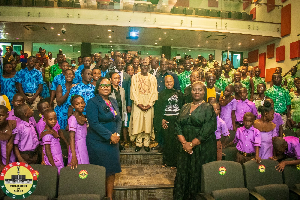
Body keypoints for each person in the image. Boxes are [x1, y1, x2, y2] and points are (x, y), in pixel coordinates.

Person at [173, 81, 217, 200]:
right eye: (194, 89)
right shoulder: (185, 106)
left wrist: (192, 144)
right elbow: (177, 125)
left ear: (204, 92)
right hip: (185, 149)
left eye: (200, 90)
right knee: (184, 175)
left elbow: (208, 128)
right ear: (190, 91)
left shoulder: (208, 108)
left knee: (197, 176)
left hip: (201, 150)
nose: (197, 92)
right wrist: (184, 143)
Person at [86, 77, 121, 200]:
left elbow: (119, 119)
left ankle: (110, 197)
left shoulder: (113, 101)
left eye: (108, 85)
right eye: (103, 85)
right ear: (98, 87)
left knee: (112, 171)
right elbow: (94, 123)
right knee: (100, 171)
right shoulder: (92, 102)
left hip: (113, 142)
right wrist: (109, 136)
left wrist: (116, 135)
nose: (106, 87)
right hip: (98, 143)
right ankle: (99, 196)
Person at [154, 75, 183, 166]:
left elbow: (182, 108)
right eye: (167, 82)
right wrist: (161, 120)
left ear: (173, 82)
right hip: (166, 121)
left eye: (170, 81)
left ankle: (175, 163)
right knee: (167, 141)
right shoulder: (161, 94)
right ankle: (167, 162)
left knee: (176, 142)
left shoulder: (179, 94)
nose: (169, 83)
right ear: (164, 83)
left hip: (176, 121)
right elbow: (158, 110)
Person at [129, 62, 158, 152]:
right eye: (143, 66)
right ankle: (138, 143)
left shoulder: (152, 78)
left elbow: (154, 91)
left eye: (146, 66)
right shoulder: (135, 77)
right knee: (138, 123)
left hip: (149, 104)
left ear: (149, 67)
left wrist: (149, 104)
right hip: (138, 104)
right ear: (140, 67)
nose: (144, 67)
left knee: (147, 124)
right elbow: (133, 91)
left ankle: (146, 143)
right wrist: (138, 103)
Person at [68, 95, 89, 169]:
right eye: (77, 104)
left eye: (82, 103)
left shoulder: (83, 117)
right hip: (77, 149)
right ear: (73, 106)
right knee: (79, 170)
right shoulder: (73, 119)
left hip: (84, 147)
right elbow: (71, 138)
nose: (80, 105)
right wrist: (74, 156)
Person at [40, 109, 64, 174]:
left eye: (55, 119)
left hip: (57, 157)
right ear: (45, 120)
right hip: (53, 160)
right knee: (56, 175)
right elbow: (47, 151)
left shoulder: (52, 131)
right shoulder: (47, 134)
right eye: (50, 119)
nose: (53, 121)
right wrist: (53, 165)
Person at [108, 72, 127, 148]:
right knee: (112, 129)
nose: (117, 80)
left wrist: (124, 112)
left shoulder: (122, 90)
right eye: (115, 78)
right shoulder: (108, 90)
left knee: (119, 129)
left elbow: (124, 102)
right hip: (112, 113)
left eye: (118, 78)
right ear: (110, 80)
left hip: (120, 112)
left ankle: (118, 145)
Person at [0, 105, 16, 170]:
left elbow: (10, 145)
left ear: (7, 115)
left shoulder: (11, 125)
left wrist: (7, 164)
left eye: (1, 115)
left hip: (11, 160)